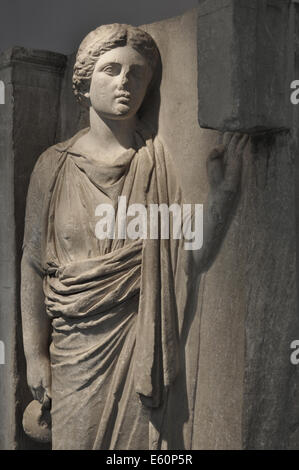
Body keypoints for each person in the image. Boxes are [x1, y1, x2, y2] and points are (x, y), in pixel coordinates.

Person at [21, 23, 248, 450]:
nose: (125, 82)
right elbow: (33, 263)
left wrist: (224, 195)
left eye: (137, 73)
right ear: (86, 83)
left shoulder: (159, 164)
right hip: (77, 353)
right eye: (110, 70)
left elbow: (187, 256)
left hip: (141, 342)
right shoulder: (52, 167)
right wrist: (35, 356)